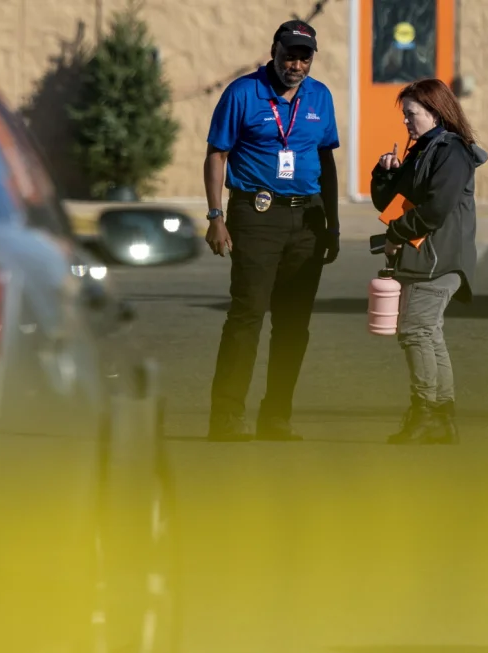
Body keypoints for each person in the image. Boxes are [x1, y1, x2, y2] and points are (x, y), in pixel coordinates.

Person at [202, 20, 341, 442]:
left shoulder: (320, 96)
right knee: (247, 315)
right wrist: (214, 216)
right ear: (273, 52)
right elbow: (216, 155)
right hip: (256, 214)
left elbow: (327, 163)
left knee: (294, 324)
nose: (295, 65)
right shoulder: (242, 93)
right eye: (288, 56)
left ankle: (276, 416)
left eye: (304, 57)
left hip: (308, 219)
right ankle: (226, 417)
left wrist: (332, 225)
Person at [371, 78, 488, 445]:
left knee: (416, 332)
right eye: (405, 114)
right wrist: (384, 172)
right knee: (429, 334)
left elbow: (436, 208)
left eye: (412, 114)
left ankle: (425, 413)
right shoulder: (422, 149)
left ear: (435, 112)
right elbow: (387, 203)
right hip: (425, 258)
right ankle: (441, 418)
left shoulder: (451, 150)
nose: (406, 121)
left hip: (439, 259)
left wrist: (395, 234)